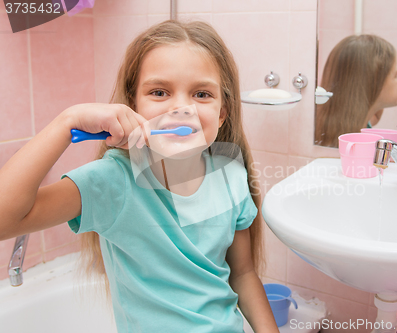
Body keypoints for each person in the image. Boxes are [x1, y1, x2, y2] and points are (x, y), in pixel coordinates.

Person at [0, 20, 279, 333]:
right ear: (132, 105)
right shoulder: (112, 182)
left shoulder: (231, 176)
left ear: (222, 112)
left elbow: (242, 275)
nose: (182, 108)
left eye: (201, 94)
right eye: (159, 92)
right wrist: (68, 121)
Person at [315, 34, 397, 148]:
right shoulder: (341, 138)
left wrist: (375, 103)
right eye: (396, 75)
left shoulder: (365, 119)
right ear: (372, 83)